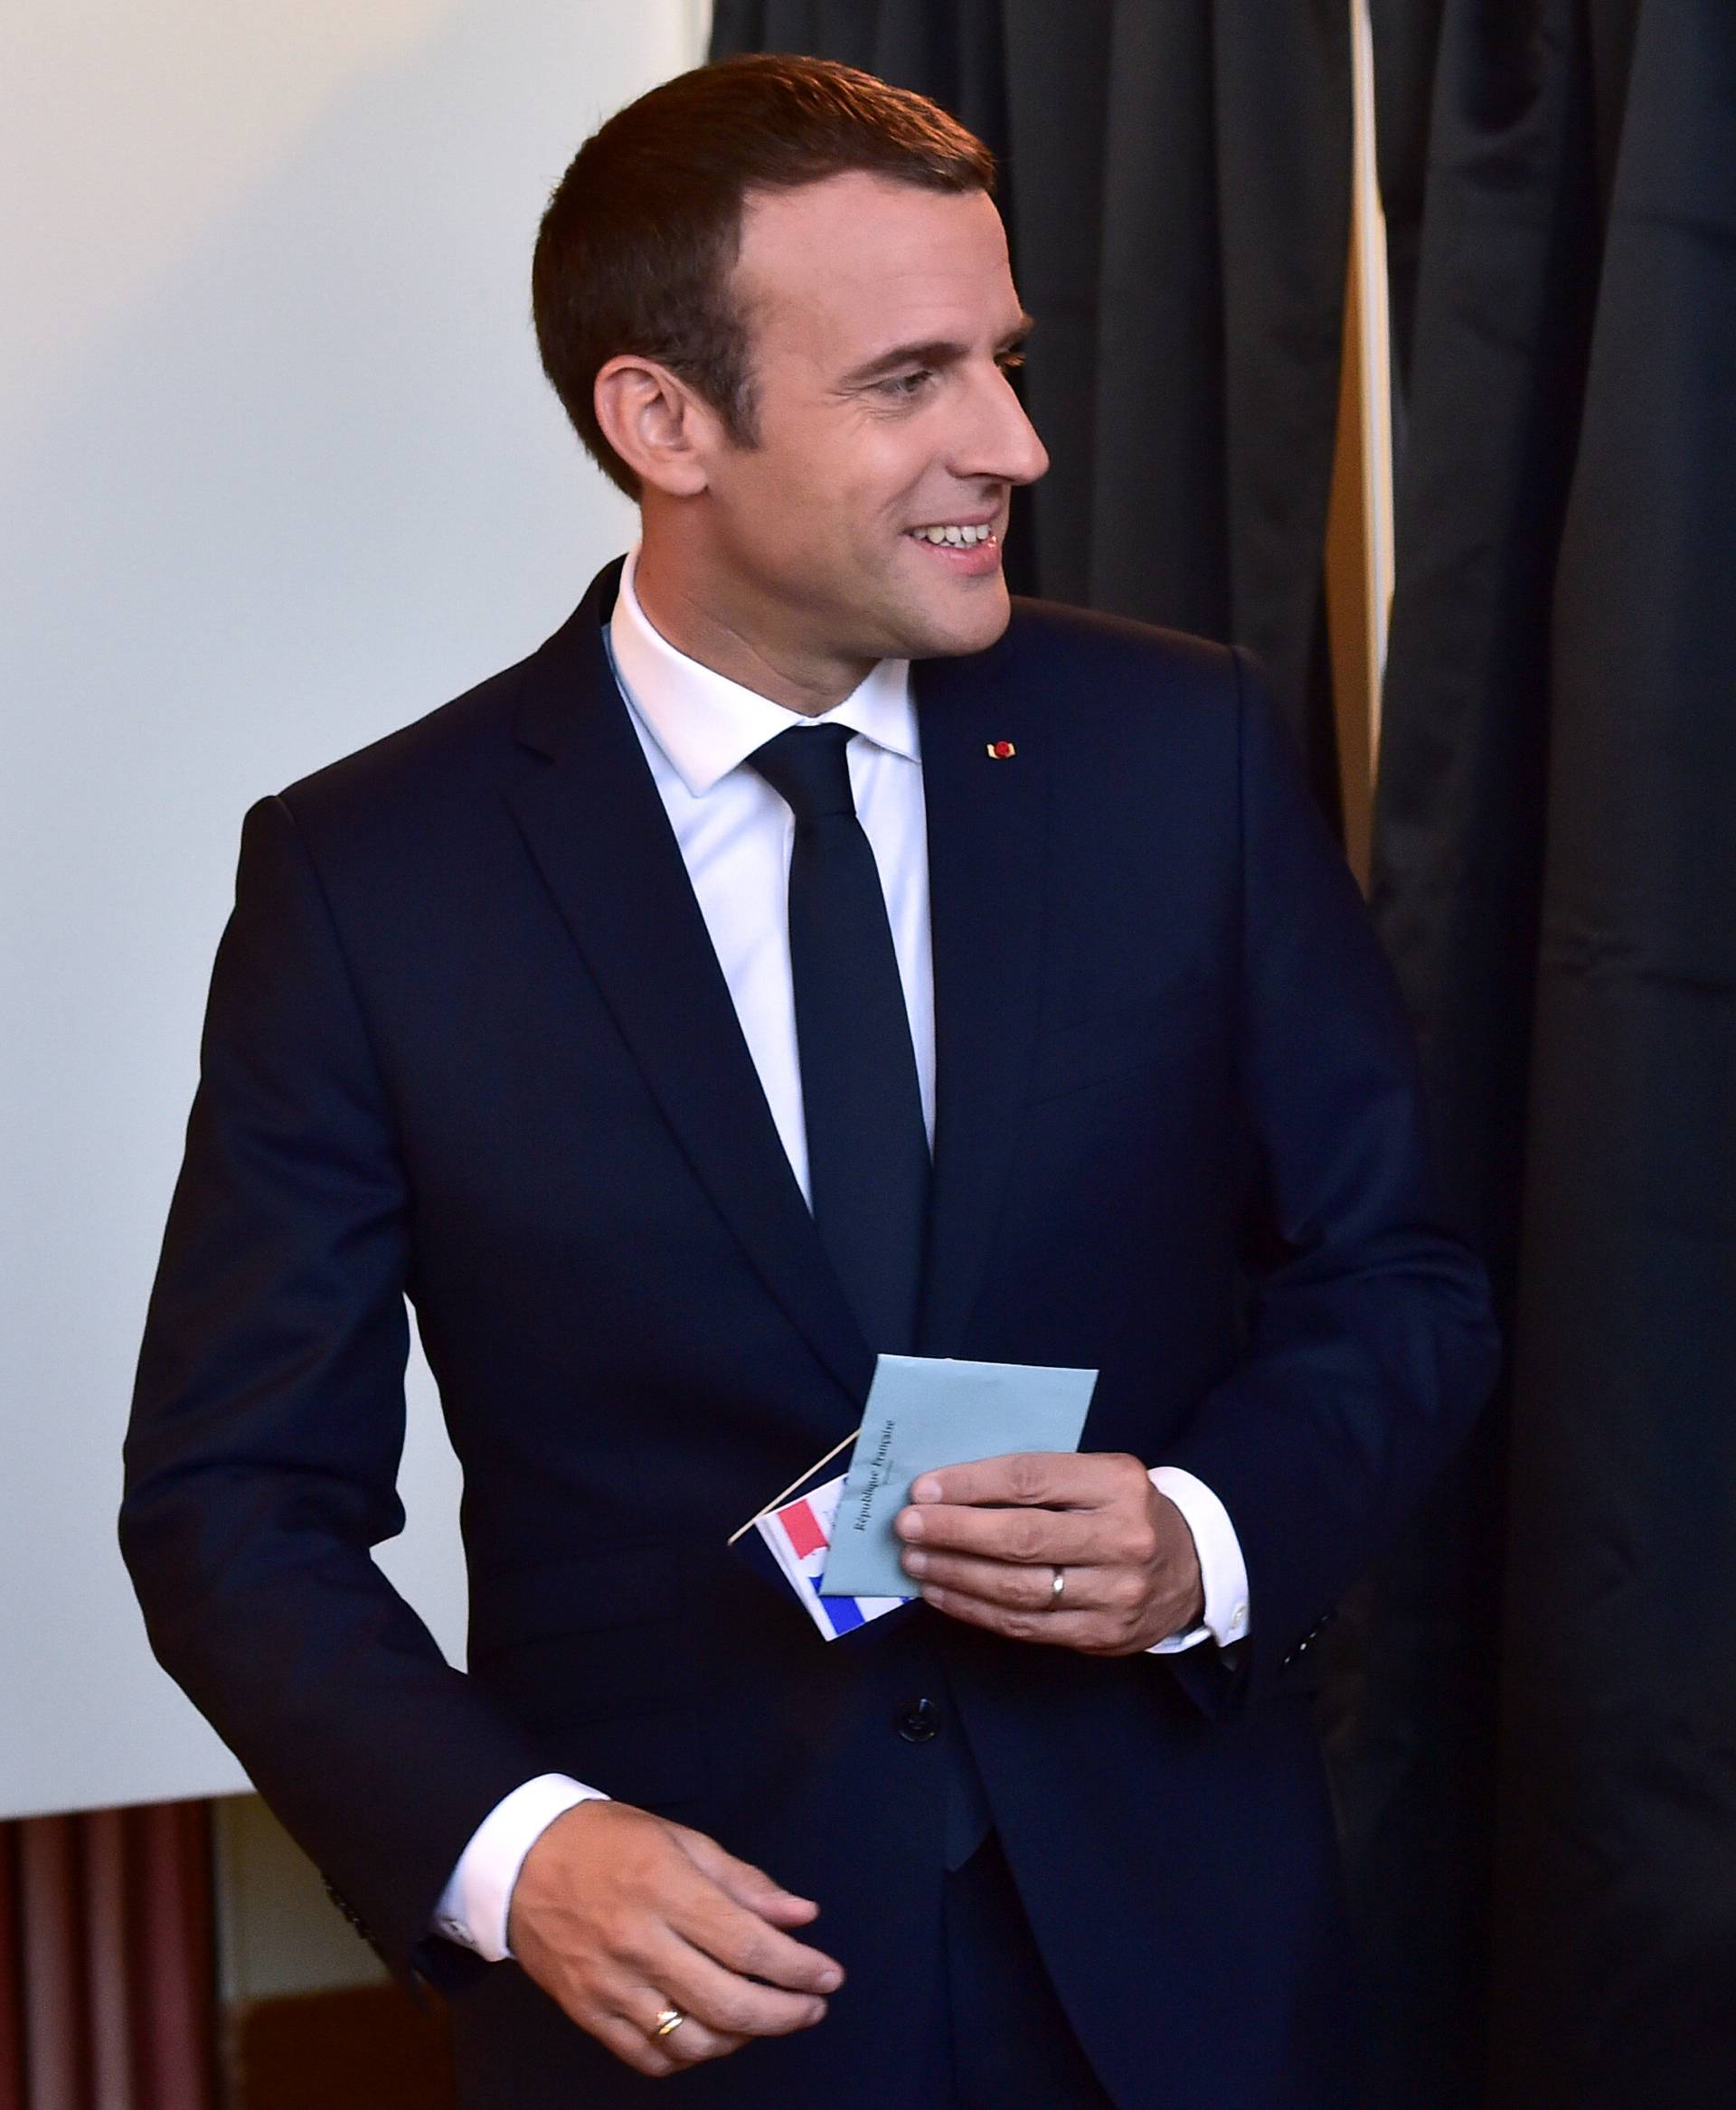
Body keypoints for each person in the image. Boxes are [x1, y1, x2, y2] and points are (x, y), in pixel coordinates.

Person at [120, 53, 1497, 2110]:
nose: (1013, 442)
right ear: (660, 420)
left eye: (1007, 361)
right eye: (910, 379)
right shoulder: (368, 881)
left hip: (1181, 1967)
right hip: (685, 1996)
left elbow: (1398, 1278)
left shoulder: (1178, 754)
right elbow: (236, 1505)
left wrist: (1204, 1533)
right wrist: (523, 1855)